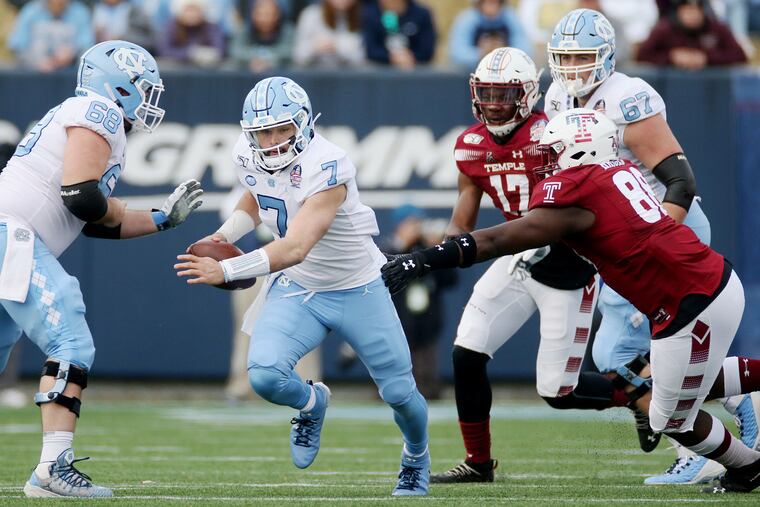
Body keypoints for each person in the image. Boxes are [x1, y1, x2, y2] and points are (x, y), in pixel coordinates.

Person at [382, 107, 760, 494]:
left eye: (553, 152)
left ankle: (749, 468)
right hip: (705, 283)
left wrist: (424, 258)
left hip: (690, 302)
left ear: (581, 151)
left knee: (670, 418)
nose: (545, 162)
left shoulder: (578, 192)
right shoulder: (618, 172)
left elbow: (497, 240)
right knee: (672, 385)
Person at [174, 76, 430, 496]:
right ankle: (312, 403)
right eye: (262, 132)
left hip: (357, 286)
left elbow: (295, 246)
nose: (271, 140)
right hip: (300, 289)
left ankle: (416, 456)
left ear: (304, 123)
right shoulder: (247, 152)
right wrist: (225, 236)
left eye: (280, 129)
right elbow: (257, 195)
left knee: (401, 392)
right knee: (264, 376)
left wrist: (230, 270)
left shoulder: (328, 164)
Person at [544, 7, 759, 484]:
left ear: (605, 57)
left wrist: (655, 253)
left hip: (663, 231)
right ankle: (738, 400)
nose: (572, 69)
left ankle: (700, 447)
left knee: (617, 353)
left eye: (582, 58)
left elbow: (679, 183)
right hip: (625, 240)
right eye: (565, 57)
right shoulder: (557, 97)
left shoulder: (629, 98)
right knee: (637, 356)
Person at [0, 40, 203, 498]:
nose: (150, 99)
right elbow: (84, 199)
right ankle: (53, 468)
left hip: (8, 232)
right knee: (70, 339)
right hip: (10, 233)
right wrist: (120, 209)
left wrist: (162, 218)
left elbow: (92, 223)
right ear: (119, 84)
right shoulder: (100, 112)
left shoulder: (88, 116)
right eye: (144, 87)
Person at [431, 46, 629, 484]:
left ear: (528, 94)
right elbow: (461, 221)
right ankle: (478, 462)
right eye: (487, 93)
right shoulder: (469, 145)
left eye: (505, 94)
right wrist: (436, 254)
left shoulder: (553, 135)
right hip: (519, 255)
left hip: (568, 267)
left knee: (559, 392)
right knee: (466, 354)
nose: (494, 104)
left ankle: (637, 394)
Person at [385, 204, 457, 401]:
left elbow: (450, 280)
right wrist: (401, 244)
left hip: (427, 321)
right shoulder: (387, 248)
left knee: (427, 367)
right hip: (398, 318)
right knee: (398, 364)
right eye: (412, 223)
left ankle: (429, 390)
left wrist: (438, 250)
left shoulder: (427, 249)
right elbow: (381, 274)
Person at [637, 0, 747, 69]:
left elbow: (740, 56)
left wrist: (707, 58)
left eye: (697, 10)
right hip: (670, 88)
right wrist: (672, 57)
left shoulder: (717, 28)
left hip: (711, 89)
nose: (693, 15)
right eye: (688, 10)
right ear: (679, 11)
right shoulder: (664, 29)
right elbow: (641, 55)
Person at [7, 0, 94, 72]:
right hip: (34, 75)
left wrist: (73, 55)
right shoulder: (31, 11)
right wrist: (36, 61)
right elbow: (17, 46)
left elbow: (88, 49)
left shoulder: (80, 13)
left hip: (68, 76)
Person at [448, 0, 533, 69]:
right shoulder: (467, 19)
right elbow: (457, 53)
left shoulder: (511, 17)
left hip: (506, 75)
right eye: (488, 2)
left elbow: (526, 51)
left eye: (496, 2)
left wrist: (502, 54)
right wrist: (482, 53)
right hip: (472, 74)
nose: (492, 4)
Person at [362, 0, 436, 70]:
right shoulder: (371, 13)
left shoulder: (421, 14)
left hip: (415, 71)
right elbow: (370, 50)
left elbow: (426, 51)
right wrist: (393, 57)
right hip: (380, 71)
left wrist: (408, 57)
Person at [292, 0, 365, 68]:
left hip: (347, 74)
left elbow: (360, 56)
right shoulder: (311, 14)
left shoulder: (360, 15)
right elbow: (298, 55)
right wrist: (314, 47)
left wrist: (336, 46)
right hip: (313, 73)